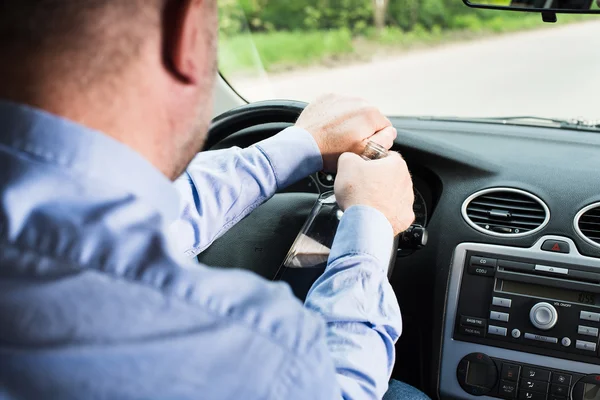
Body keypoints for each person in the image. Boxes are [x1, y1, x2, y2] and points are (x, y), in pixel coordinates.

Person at [0, 1, 427, 399]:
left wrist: (292, 147)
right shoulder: (219, 329)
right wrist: (371, 227)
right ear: (184, 33)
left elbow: (142, 210)